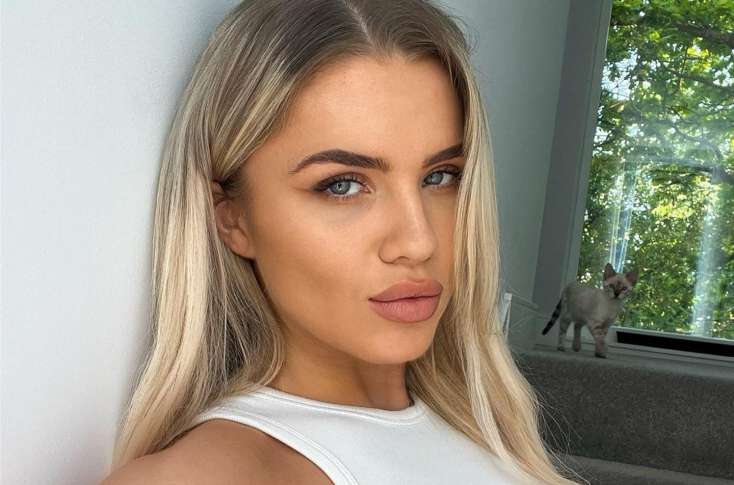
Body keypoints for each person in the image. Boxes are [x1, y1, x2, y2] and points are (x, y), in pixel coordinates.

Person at [102, 0, 585, 484]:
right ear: (232, 218)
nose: (419, 242)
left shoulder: (488, 431)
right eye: (342, 185)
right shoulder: (209, 475)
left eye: (440, 176)